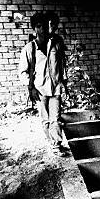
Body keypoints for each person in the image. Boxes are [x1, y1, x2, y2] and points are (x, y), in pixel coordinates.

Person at [18, 12, 69, 156]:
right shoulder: (29, 48)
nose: (43, 30)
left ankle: (57, 144)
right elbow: (23, 72)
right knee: (45, 119)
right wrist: (31, 87)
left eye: (44, 26)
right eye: (39, 26)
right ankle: (52, 142)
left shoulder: (55, 44)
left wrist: (63, 81)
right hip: (40, 90)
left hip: (55, 87)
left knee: (56, 118)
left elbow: (61, 65)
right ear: (34, 28)